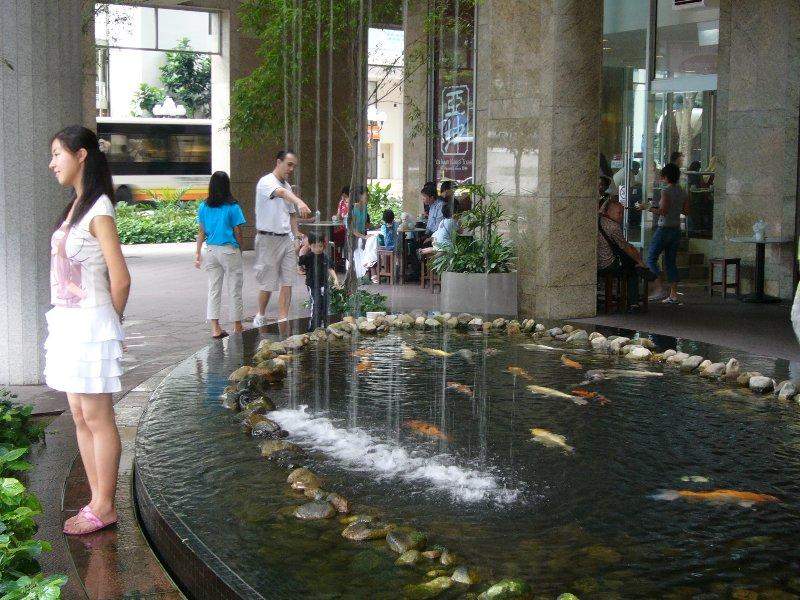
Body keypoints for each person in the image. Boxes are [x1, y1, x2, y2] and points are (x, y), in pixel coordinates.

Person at [46, 126, 130, 535]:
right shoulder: (74, 207)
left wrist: (111, 326)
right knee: (79, 413)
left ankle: (105, 504)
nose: (52, 163)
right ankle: (97, 499)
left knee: (97, 415)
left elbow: (121, 278)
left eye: (57, 154)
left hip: (92, 324)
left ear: (81, 155)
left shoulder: (99, 209)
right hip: (68, 323)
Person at [252, 150, 311, 327]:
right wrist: (299, 201)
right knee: (268, 283)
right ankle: (260, 316)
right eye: (289, 164)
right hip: (267, 239)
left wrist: (295, 237)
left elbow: (292, 215)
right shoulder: (266, 182)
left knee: (288, 281)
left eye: (294, 166)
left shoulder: (288, 187)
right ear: (279, 162)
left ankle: (283, 319)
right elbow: (282, 194)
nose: (291, 169)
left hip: (286, 238)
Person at [194, 171, 246, 339]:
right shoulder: (233, 206)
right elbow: (238, 230)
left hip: (210, 250)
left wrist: (197, 252)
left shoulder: (204, 206)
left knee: (214, 289)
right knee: (234, 288)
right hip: (229, 250)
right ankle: (237, 326)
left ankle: (215, 328)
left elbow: (201, 231)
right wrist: (240, 248)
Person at [642, 163, 687, 304]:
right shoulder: (682, 191)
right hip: (676, 229)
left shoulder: (666, 190)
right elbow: (686, 211)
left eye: (662, 176)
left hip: (664, 228)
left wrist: (647, 207)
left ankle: (658, 287)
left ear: (666, 177)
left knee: (651, 258)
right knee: (670, 262)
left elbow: (663, 211)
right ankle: (673, 294)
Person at [597, 199, 650, 310]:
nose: (621, 216)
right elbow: (626, 247)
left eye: (622, 213)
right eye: (619, 213)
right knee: (633, 269)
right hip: (608, 264)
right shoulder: (613, 227)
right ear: (608, 212)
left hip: (596, 264)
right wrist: (640, 262)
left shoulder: (598, 220)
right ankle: (633, 303)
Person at [298, 231, 339, 330]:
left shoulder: (324, 256)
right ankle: (312, 328)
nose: (318, 249)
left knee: (325, 304)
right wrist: (304, 247)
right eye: (315, 246)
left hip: (324, 284)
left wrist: (336, 279)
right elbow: (299, 261)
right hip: (312, 285)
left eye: (320, 246)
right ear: (310, 246)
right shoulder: (308, 256)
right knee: (316, 303)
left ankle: (325, 326)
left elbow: (330, 268)